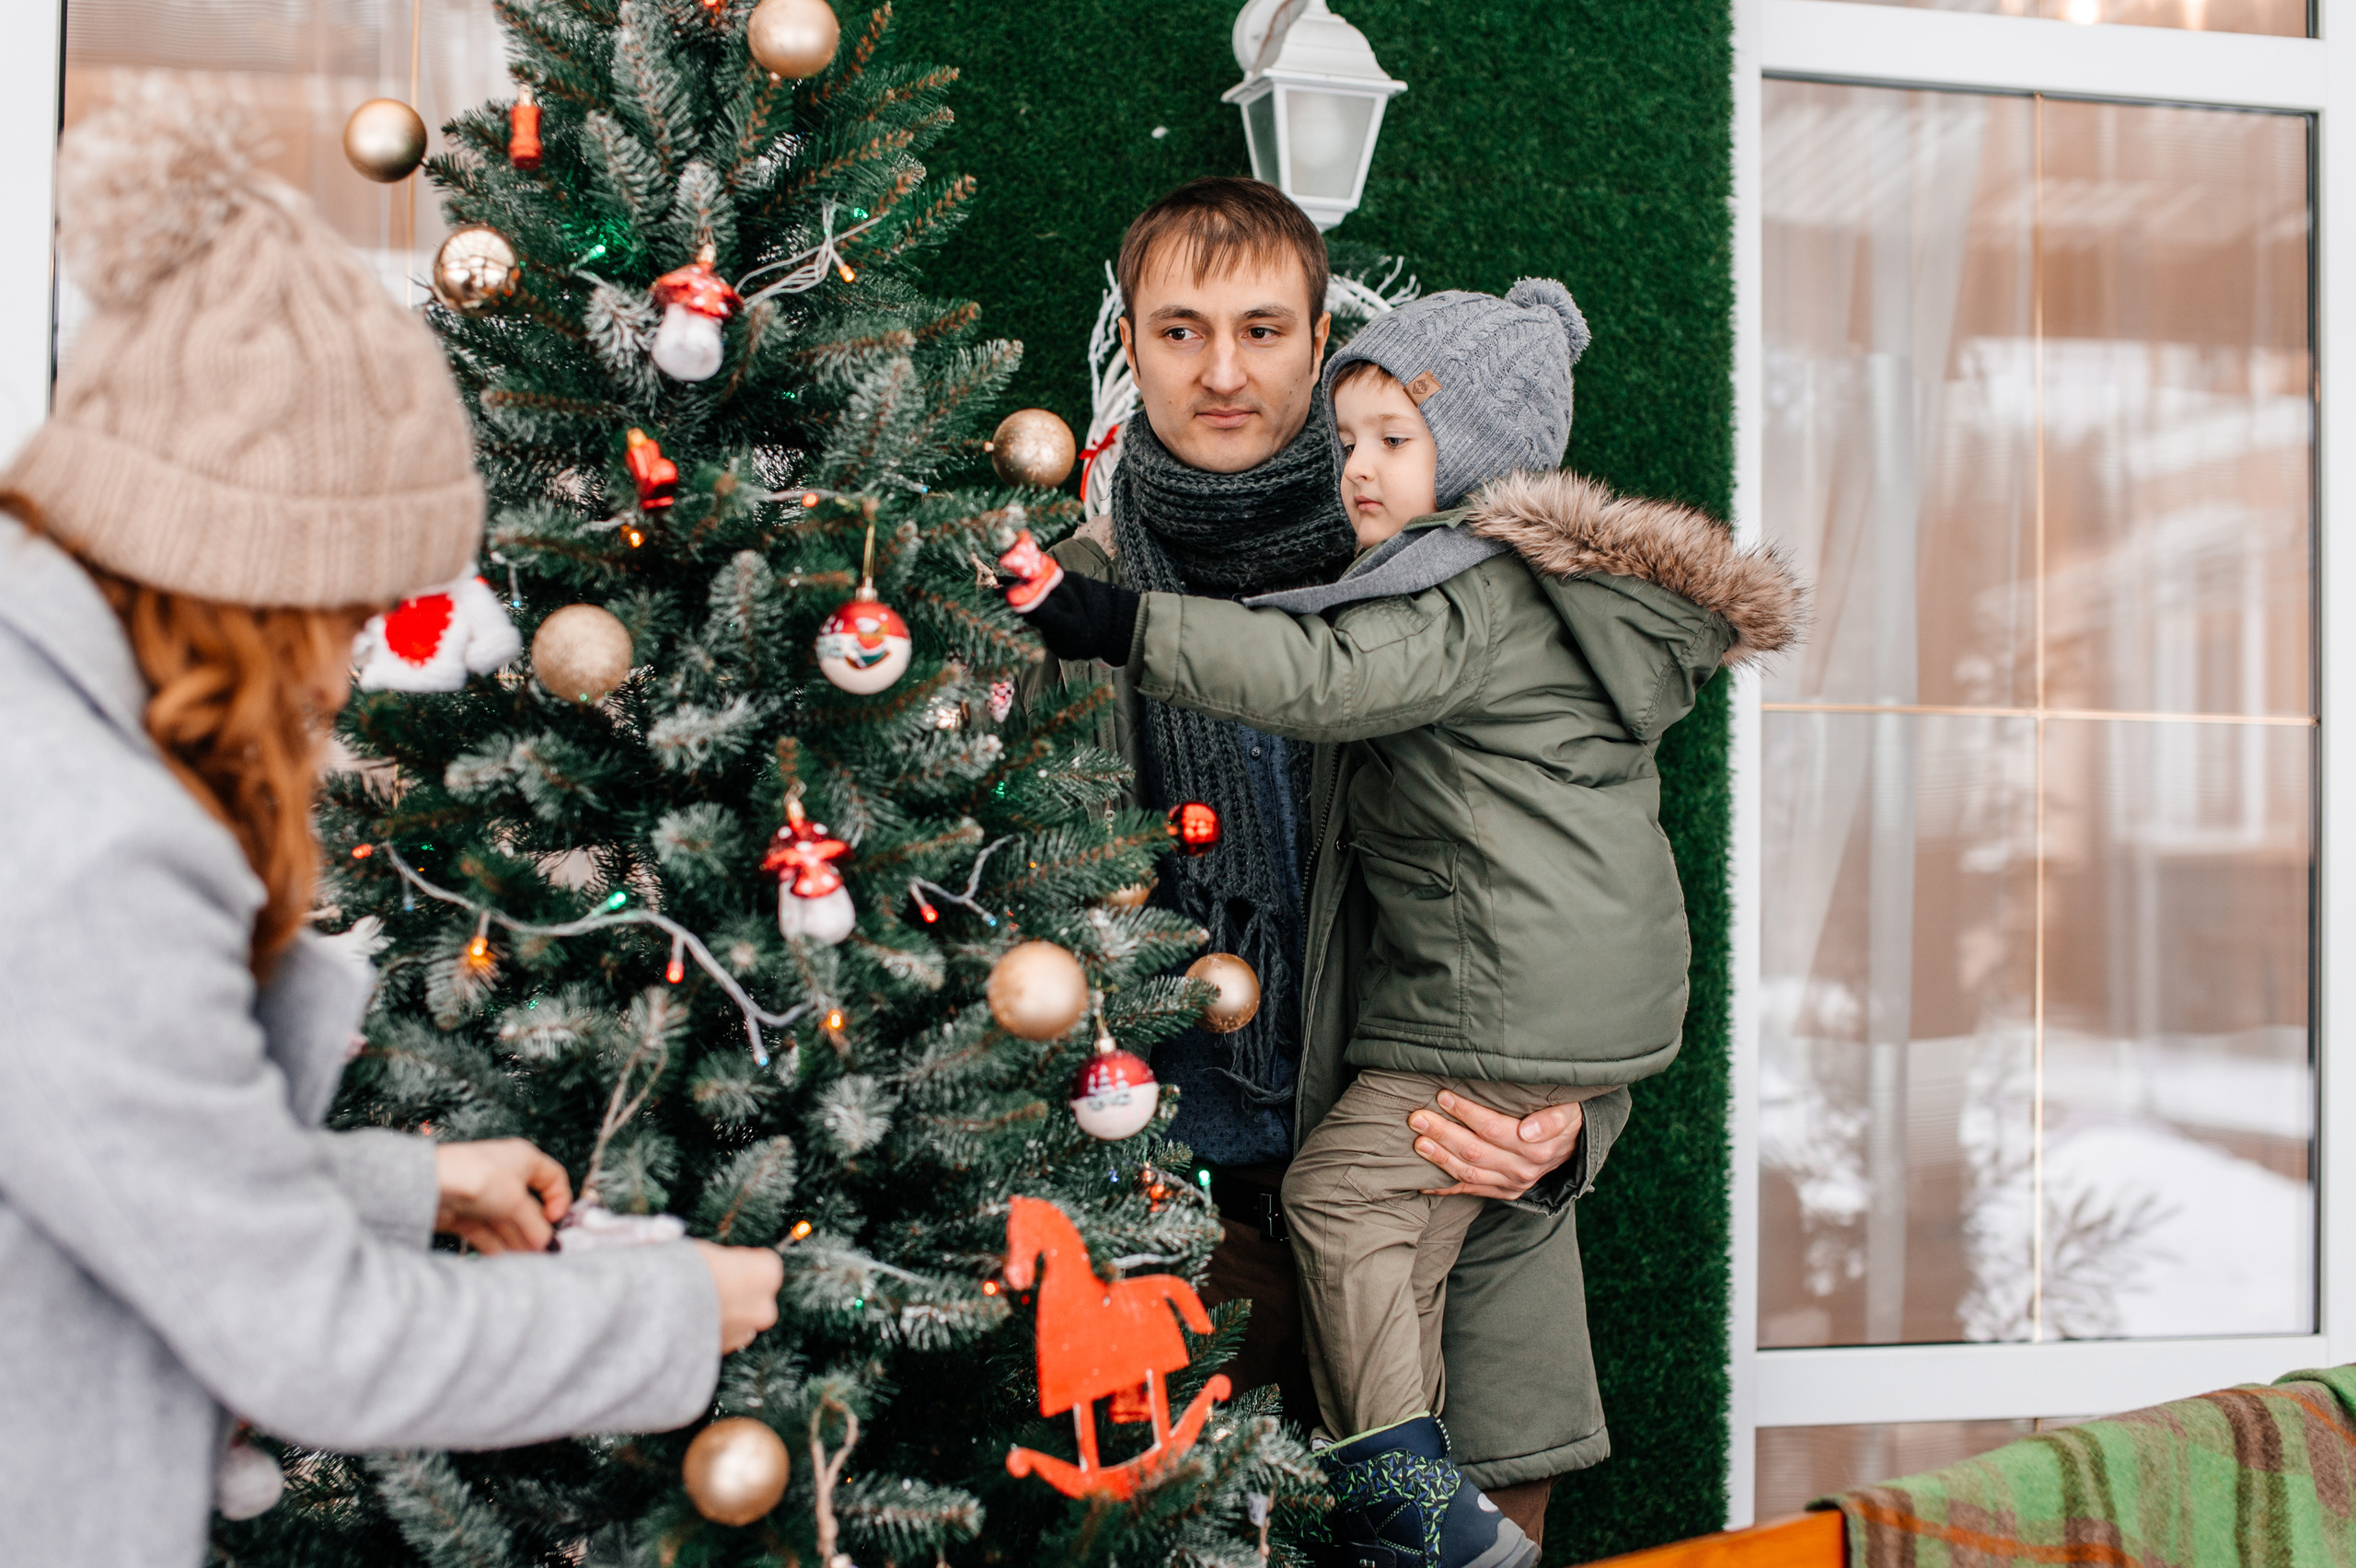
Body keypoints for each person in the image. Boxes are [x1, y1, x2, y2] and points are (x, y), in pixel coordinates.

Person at [0, 97, 784, 1566]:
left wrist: (406, 1183)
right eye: (350, 610)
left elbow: (113, 1165)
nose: (348, 666)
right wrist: (679, 1309)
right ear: (251, 581)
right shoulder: (88, 849)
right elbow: (317, 1341)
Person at [1014, 281, 1803, 1568]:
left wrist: (1565, 1138)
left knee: (1362, 1241)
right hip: (1185, 1228)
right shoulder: (1087, 585)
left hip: (1458, 1153)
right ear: (1133, 355)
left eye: (1266, 332)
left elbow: (1342, 697)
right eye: (1180, 331)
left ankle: (1403, 1484)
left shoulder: (1436, 600)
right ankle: (1406, 1481)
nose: (1226, 372)